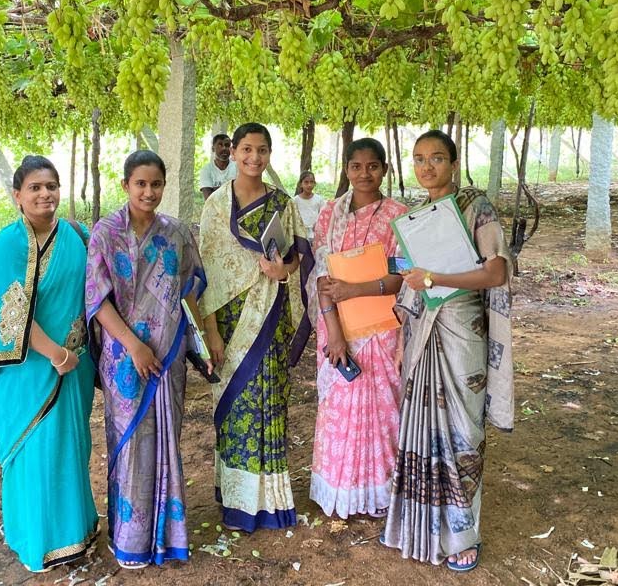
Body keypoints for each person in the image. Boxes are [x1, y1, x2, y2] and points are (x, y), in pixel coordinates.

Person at [380, 130, 513, 573]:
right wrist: (403, 340)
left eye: (437, 158)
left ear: (454, 164)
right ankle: (417, 526)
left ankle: (462, 535)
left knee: (462, 434)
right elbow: (409, 284)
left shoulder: (476, 207)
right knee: (418, 430)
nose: (427, 167)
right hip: (421, 334)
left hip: (462, 331)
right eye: (419, 159)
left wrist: (437, 278)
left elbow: (495, 274)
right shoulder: (416, 217)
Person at [85, 151, 223, 570]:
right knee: (129, 445)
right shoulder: (106, 232)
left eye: (156, 184)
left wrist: (204, 344)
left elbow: (192, 292)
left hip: (168, 357)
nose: (149, 192)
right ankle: (130, 540)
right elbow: (97, 300)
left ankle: (166, 537)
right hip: (124, 359)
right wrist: (134, 346)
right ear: (125, 185)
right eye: (140, 184)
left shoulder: (176, 233)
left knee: (166, 441)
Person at [0, 155, 98, 573]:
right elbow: (13, 314)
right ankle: (39, 540)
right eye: (35, 188)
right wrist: (56, 355)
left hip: (73, 368)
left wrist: (72, 357)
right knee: (35, 453)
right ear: (18, 196)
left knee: (70, 448)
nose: (45, 194)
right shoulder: (6, 246)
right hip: (27, 371)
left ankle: (76, 530)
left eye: (52, 186)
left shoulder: (76, 236)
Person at [198, 123, 312, 532]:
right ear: (233, 151)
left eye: (262, 150)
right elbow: (207, 273)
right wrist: (211, 331)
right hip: (229, 322)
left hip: (271, 317)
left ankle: (270, 501)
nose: (254, 157)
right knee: (235, 406)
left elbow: (297, 255)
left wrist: (284, 270)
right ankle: (236, 500)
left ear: (269, 154)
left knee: (270, 399)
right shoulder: (216, 206)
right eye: (246, 149)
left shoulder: (282, 203)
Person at [306, 138, 408, 520]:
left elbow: (402, 277)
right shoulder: (329, 214)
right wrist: (335, 332)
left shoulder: (399, 216)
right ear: (346, 169)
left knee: (382, 410)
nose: (364, 174)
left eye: (373, 166)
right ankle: (341, 491)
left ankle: (380, 491)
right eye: (356, 166)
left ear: (384, 170)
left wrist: (355, 289)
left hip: (381, 330)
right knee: (339, 409)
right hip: (336, 327)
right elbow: (321, 278)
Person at [199, 133, 237, 199]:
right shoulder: (206, 170)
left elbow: (242, 193)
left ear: (231, 149)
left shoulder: (237, 167)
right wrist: (232, 188)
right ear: (213, 149)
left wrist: (215, 189)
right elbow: (209, 198)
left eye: (227, 145)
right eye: (220, 145)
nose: (224, 148)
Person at [293, 170, 326, 235]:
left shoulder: (319, 200)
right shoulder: (295, 200)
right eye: (306, 182)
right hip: (300, 234)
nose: (309, 185)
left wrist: (318, 224)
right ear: (301, 184)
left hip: (315, 233)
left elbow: (323, 216)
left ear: (314, 183)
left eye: (311, 182)